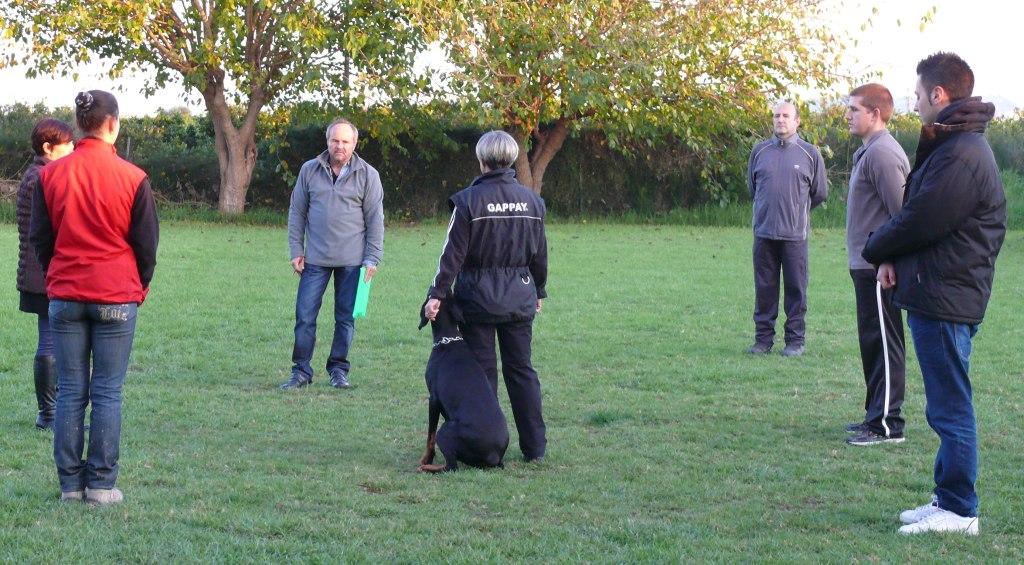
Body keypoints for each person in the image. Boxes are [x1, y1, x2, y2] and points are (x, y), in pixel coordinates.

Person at [863, 52, 1005, 535]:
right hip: (936, 292)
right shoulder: (952, 145)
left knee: (950, 405)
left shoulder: (962, 152)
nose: (914, 100)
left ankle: (960, 510)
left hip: (946, 299)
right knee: (945, 403)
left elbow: (922, 217)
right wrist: (891, 258)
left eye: (919, 92)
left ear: (939, 94)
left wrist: (877, 246)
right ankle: (947, 498)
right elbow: (925, 218)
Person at [30, 90, 159, 505]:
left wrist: (58, 273)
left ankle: (70, 485)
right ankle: (101, 485)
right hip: (116, 294)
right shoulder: (133, 177)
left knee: (71, 390)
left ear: (81, 124)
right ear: (113, 124)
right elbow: (147, 245)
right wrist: (139, 284)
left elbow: (40, 238)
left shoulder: (49, 175)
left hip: (66, 294)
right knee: (107, 391)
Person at [423, 130, 548, 462]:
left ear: (481, 160)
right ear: (509, 159)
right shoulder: (533, 201)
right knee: (521, 370)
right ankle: (535, 448)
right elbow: (540, 254)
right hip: (520, 297)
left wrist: (437, 294)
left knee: (482, 374)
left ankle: (486, 443)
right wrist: (539, 290)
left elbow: (452, 256)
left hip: (477, 301)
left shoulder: (468, 201)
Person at [283, 118, 384, 390]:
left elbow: (375, 220)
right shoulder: (309, 170)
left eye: (345, 141)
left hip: (353, 263)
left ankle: (338, 370)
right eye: (335, 140)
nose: (339, 146)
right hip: (314, 260)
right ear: (327, 141)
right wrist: (296, 250)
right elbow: (297, 212)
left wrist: (372, 258)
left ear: (355, 143)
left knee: (345, 320)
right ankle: (301, 371)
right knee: (304, 317)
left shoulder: (368, 175)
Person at [842, 84, 910, 447]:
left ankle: (887, 424)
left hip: (878, 269)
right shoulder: (868, 152)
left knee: (884, 343)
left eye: (854, 109)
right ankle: (875, 416)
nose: (848, 115)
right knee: (872, 341)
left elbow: (901, 214)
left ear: (875, 114)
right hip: (866, 265)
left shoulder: (883, 154)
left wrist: (886, 257)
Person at [746, 101, 828, 357]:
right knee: (764, 290)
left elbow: (819, 193)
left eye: (786, 116)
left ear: (797, 121)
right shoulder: (759, 152)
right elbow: (753, 189)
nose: (780, 120)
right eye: (776, 115)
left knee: (796, 291)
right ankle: (763, 341)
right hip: (763, 235)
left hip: (795, 237)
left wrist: (795, 212)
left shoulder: (810, 154)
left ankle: (795, 342)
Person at [16, 118, 74, 431]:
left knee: (53, 342)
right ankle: (50, 415)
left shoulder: (36, 174)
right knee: (51, 343)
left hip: (39, 272)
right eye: (67, 143)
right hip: (45, 273)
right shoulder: (43, 176)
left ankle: (53, 414)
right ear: (48, 148)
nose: (73, 148)